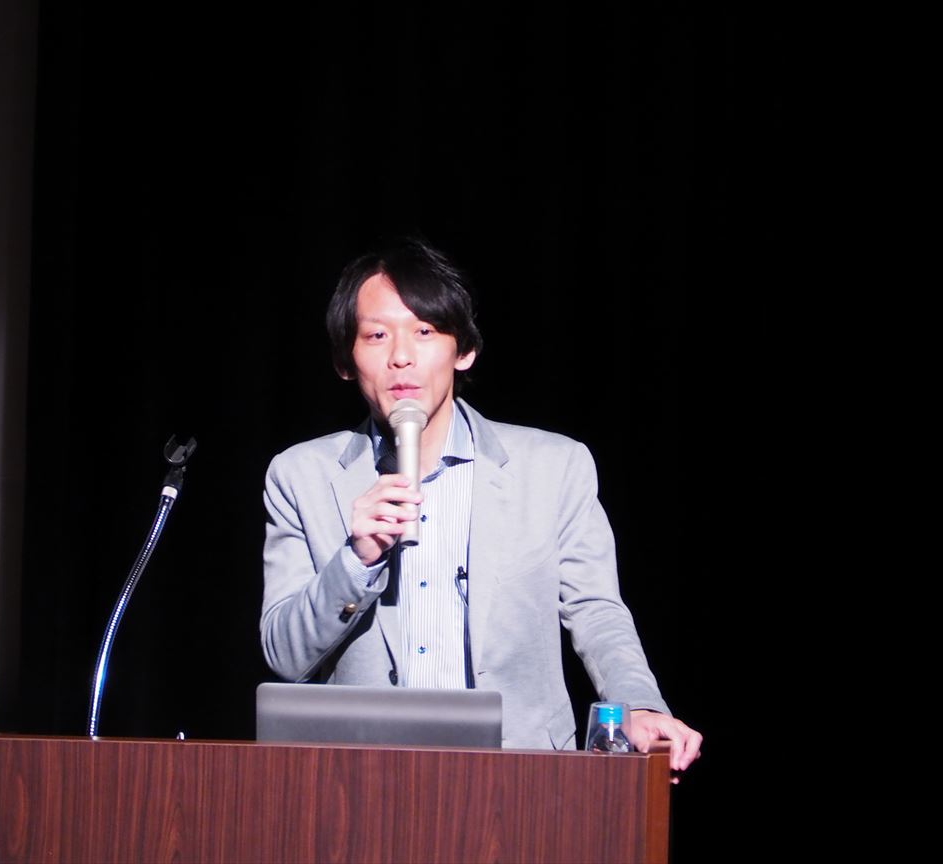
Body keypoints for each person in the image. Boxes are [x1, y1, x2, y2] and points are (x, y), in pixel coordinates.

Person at [261, 237, 701, 778]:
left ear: (463, 350)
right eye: (376, 335)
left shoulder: (553, 466)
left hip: (519, 781)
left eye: (425, 331)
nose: (401, 356)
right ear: (345, 362)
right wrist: (356, 561)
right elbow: (284, 654)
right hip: (364, 782)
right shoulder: (300, 476)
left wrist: (640, 704)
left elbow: (595, 610)